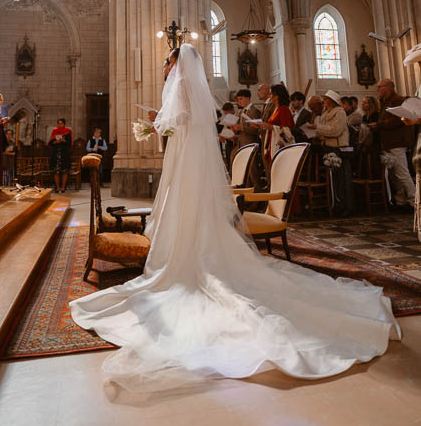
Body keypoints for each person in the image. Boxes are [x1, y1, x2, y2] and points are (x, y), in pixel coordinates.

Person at [70, 45, 398, 392]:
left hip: (185, 161)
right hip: (187, 159)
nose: (164, 65)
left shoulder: (181, 86)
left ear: (177, 63)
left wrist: (157, 122)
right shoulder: (186, 87)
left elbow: (182, 122)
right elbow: (189, 124)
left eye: (167, 60)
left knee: (186, 215)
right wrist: (161, 125)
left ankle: (186, 256)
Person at [373, 79, 418, 209]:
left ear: (389, 87)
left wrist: (378, 124)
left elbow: (397, 121)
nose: (378, 90)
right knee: (394, 175)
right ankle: (401, 200)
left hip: (397, 142)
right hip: (389, 143)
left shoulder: (398, 100)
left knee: (402, 173)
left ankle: (414, 201)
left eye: (380, 87)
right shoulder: (385, 101)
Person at [311, 95, 353, 217]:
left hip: (339, 148)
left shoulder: (340, 113)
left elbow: (336, 130)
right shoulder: (326, 113)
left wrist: (317, 128)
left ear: (330, 101)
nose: (323, 102)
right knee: (334, 179)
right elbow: (326, 129)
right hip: (328, 147)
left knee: (343, 178)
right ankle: (336, 204)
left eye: (325, 100)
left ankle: (347, 206)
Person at [262, 84, 295, 163]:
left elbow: (286, 130)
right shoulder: (276, 109)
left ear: (276, 96)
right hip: (272, 141)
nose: (269, 96)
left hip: (280, 144)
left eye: (271, 94)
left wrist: (271, 127)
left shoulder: (284, 109)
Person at [48, 117, 73, 193]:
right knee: (56, 171)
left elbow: (70, 143)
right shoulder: (55, 131)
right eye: (58, 123)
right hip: (56, 154)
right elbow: (50, 143)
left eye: (61, 123)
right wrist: (55, 142)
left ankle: (63, 187)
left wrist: (64, 140)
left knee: (65, 171)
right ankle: (57, 187)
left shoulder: (68, 131)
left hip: (65, 153)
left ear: (64, 124)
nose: (60, 125)